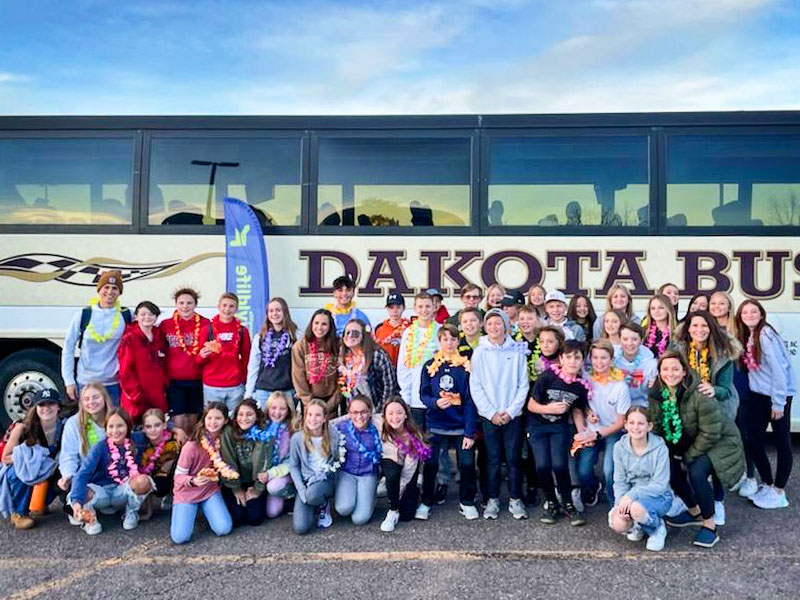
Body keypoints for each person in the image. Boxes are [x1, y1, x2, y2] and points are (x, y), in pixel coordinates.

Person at [650, 351, 744, 549]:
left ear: (684, 371)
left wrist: (689, 456)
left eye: (675, 369)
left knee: (696, 472)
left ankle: (710, 526)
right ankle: (694, 511)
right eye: (665, 369)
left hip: (719, 440)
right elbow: (659, 426)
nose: (670, 373)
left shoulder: (699, 392)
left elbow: (711, 432)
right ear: (659, 372)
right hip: (689, 440)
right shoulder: (657, 394)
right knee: (671, 470)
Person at [735, 299, 796, 509]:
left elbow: (779, 371)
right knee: (754, 440)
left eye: (754, 312)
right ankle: (768, 484)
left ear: (761, 315)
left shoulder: (766, 335)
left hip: (778, 395)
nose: (749, 315)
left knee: (781, 441)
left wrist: (778, 403)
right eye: (745, 312)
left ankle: (779, 491)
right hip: (759, 395)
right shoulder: (748, 335)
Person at [470, 309, 529, 520]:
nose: (494, 327)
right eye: (490, 324)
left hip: (513, 415)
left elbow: (523, 384)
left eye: (498, 323)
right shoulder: (480, 352)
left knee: (513, 459)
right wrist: (490, 413)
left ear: (506, 326)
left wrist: (511, 411)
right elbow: (475, 386)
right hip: (490, 416)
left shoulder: (517, 351)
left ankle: (515, 499)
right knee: (493, 459)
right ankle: (493, 499)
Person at [416, 325, 478, 521]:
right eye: (445, 339)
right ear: (439, 341)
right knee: (431, 464)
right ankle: (426, 501)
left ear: (458, 342)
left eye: (453, 339)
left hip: (460, 425)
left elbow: (469, 401)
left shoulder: (466, 367)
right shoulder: (430, 366)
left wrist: (469, 432)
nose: (449, 343)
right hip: (436, 423)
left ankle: (466, 501)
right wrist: (435, 402)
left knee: (466, 464)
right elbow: (423, 395)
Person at [528, 340, 590, 526]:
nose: (572, 361)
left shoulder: (580, 386)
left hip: (559, 429)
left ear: (582, 361)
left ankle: (568, 504)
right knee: (542, 466)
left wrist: (581, 433)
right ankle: (552, 503)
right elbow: (531, 405)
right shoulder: (547, 377)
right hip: (538, 426)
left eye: (577, 357)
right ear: (561, 359)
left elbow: (577, 410)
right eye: (568, 357)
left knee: (560, 465)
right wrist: (550, 408)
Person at [69, 408, 152, 534]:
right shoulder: (100, 448)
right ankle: (89, 519)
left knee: (143, 481)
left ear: (128, 427)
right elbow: (82, 474)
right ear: (106, 429)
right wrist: (76, 502)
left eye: (120, 426)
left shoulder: (137, 441)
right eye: (111, 426)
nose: (115, 431)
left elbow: (156, 432)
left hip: (122, 492)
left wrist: (176, 429)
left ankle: (131, 512)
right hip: (101, 494)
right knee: (80, 490)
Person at [61, 270, 131, 406]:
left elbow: (149, 318)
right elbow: (68, 349)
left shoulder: (126, 315)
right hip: (86, 383)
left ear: (119, 292)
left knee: (113, 425)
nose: (110, 292)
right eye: (106, 287)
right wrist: (69, 381)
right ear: (99, 290)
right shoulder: (83, 315)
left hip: (114, 384)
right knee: (89, 426)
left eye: (115, 288)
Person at [170, 402, 236, 544]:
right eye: (209, 418)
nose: (213, 422)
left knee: (223, 529)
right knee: (180, 538)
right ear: (204, 420)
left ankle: (207, 510)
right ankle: (188, 511)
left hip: (209, 491)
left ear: (225, 421)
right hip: (187, 493)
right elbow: (178, 477)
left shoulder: (225, 441)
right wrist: (193, 480)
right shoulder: (192, 445)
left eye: (218, 418)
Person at [575, 340, 630, 506]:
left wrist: (597, 434)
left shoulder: (620, 386)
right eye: (595, 357)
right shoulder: (585, 378)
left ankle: (615, 502)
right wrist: (587, 412)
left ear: (612, 360)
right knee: (583, 471)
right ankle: (594, 486)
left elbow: (621, 422)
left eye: (604, 358)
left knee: (609, 470)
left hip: (613, 431)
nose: (599, 362)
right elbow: (580, 403)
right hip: (591, 428)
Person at [609, 407, 672, 552]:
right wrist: (620, 503)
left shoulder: (660, 448)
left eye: (641, 423)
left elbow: (660, 485)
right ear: (625, 425)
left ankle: (656, 528)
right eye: (631, 423)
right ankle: (637, 525)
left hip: (658, 496)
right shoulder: (619, 447)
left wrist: (632, 495)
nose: (635, 427)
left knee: (636, 508)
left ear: (649, 426)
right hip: (630, 497)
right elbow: (620, 480)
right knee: (619, 523)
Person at [0, 389, 64, 530]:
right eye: (41, 405)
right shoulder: (22, 428)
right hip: (24, 470)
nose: (46, 408)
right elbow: (5, 457)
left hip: (48, 470)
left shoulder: (64, 427)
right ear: (35, 408)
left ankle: (40, 503)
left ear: (58, 406)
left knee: (64, 473)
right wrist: (30, 461)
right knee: (16, 472)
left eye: (51, 404)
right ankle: (19, 512)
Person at [289, 399, 344, 535]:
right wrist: (301, 489)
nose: (313, 419)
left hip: (325, 479)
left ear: (325, 418)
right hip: (307, 483)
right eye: (310, 414)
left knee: (313, 494)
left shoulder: (334, 436)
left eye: (318, 415)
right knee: (301, 528)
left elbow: (338, 461)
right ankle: (314, 502)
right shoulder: (297, 438)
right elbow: (294, 466)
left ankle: (323, 504)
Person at [58, 383, 113, 518]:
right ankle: (78, 510)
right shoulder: (73, 423)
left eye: (96, 397)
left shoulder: (115, 418)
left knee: (111, 505)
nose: (91, 402)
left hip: (111, 472)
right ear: (81, 403)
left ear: (104, 398)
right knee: (78, 493)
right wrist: (68, 475)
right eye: (86, 399)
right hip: (86, 474)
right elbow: (68, 455)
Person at [161, 287, 210, 435]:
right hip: (174, 381)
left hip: (197, 379)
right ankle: (178, 454)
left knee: (193, 420)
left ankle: (192, 452)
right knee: (179, 421)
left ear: (195, 304)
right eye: (181, 302)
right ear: (176, 304)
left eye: (189, 303)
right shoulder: (165, 325)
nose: (185, 306)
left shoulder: (205, 324)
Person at [379, 397, 430, 532]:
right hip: (388, 464)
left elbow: (407, 473)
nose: (395, 417)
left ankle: (405, 491)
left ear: (406, 414)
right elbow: (353, 415)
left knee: (407, 515)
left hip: (406, 470)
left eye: (399, 413)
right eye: (390, 413)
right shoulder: (378, 424)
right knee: (392, 473)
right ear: (384, 415)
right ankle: (392, 510)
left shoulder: (414, 437)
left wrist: (398, 492)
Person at [198, 293, 252, 414]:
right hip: (212, 385)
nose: (227, 309)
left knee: (234, 422)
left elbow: (247, 359)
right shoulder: (207, 330)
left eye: (231, 306)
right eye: (224, 305)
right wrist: (202, 355)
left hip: (235, 386)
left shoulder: (242, 331)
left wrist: (242, 381)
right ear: (218, 307)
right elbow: (198, 360)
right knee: (213, 420)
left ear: (236, 309)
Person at [334, 395, 382, 526]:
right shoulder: (340, 427)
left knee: (359, 519)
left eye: (364, 412)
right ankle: (350, 494)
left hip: (368, 475)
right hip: (347, 473)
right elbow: (323, 426)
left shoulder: (378, 427)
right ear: (349, 413)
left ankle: (371, 498)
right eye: (355, 412)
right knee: (343, 509)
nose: (359, 416)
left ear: (370, 412)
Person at [118, 301, 168, 424]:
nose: (147, 317)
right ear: (136, 317)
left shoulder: (159, 336)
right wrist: (136, 395)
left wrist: (165, 385)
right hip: (137, 398)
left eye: (151, 314)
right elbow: (125, 371)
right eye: (143, 314)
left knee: (157, 430)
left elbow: (164, 363)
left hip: (157, 395)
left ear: (156, 317)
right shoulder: (129, 338)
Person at [220, 399, 268, 527]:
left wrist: (257, 489)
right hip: (234, 481)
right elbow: (227, 462)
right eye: (240, 414)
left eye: (249, 414)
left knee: (255, 519)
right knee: (237, 519)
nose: (244, 418)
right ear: (235, 417)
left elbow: (264, 462)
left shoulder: (263, 432)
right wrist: (236, 489)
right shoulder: (228, 433)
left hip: (255, 481)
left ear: (256, 417)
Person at [397, 293, 440, 429]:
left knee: (434, 441)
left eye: (428, 306)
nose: (424, 310)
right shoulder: (408, 332)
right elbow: (403, 366)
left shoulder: (441, 330)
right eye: (420, 306)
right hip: (414, 397)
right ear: (415, 308)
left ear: (434, 307)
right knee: (417, 440)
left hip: (435, 397)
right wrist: (406, 395)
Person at [246, 297, 298, 410]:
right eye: (271, 311)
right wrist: (248, 393)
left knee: (286, 426)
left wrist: (298, 391)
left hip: (287, 390)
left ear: (285, 312)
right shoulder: (259, 337)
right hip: (263, 391)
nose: (274, 313)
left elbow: (300, 366)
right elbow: (253, 367)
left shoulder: (295, 336)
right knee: (264, 424)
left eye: (278, 310)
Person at [250, 391, 296, 519]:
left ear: (288, 410)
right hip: (262, 475)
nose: (277, 412)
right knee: (271, 512)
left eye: (282, 408)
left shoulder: (292, 430)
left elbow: (291, 462)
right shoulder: (260, 427)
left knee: (273, 504)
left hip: (281, 474)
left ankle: (293, 495)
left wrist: (271, 474)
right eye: (274, 408)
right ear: (268, 408)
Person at [338, 319, 398, 415]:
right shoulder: (342, 357)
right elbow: (344, 386)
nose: (349, 336)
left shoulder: (377, 356)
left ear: (364, 336)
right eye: (347, 332)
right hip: (354, 412)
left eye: (355, 333)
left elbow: (389, 387)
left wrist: (381, 411)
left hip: (376, 409)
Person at [133, 408, 181, 521]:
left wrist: (177, 430)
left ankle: (176, 500)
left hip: (175, 477)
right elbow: (144, 472)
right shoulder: (141, 444)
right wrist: (149, 512)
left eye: (157, 425)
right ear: (143, 428)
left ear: (164, 425)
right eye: (148, 427)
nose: (153, 430)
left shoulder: (176, 440)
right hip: (156, 480)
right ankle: (145, 507)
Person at [291, 309, 340, 414]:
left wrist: (331, 403)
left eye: (324, 324)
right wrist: (309, 404)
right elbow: (298, 377)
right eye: (316, 323)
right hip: (309, 401)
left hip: (332, 401)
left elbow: (343, 378)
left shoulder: (338, 345)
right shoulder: (300, 346)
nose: (319, 328)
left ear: (330, 327)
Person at [614, 323, 657, 407]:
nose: (630, 343)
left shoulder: (651, 364)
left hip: (642, 406)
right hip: (617, 406)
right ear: (619, 339)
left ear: (641, 340)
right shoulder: (612, 359)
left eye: (634, 339)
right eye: (625, 339)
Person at [373, 292, 411, 367]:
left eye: (398, 307)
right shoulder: (380, 328)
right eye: (391, 307)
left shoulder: (410, 328)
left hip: (405, 368)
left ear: (403, 308)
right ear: (387, 309)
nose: (395, 311)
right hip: (385, 368)